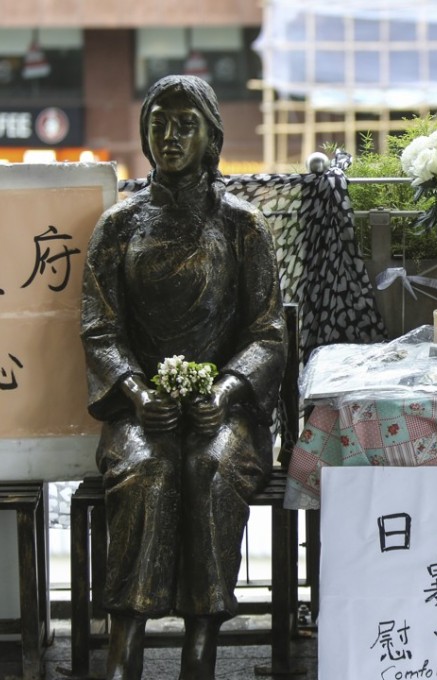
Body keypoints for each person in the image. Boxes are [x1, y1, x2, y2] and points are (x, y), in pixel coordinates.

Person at [80, 75, 286, 680]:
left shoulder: (244, 225)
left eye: (186, 124)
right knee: (148, 468)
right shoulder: (119, 225)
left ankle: (202, 642)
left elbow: (268, 332)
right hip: (141, 410)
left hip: (227, 412)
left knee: (209, 467)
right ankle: (125, 640)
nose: (170, 136)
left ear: (212, 138)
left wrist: (226, 389)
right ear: (144, 133)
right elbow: (99, 329)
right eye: (159, 123)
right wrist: (136, 391)